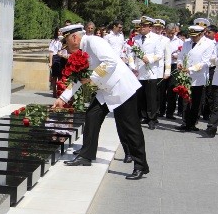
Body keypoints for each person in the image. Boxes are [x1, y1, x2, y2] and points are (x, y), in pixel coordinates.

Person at [53, 24, 149, 180]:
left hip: (121, 88)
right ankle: (86, 156)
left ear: (74, 38)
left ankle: (141, 165)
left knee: (130, 127)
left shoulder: (93, 42)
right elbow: (79, 79)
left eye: (67, 43)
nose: (66, 48)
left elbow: (110, 62)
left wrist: (92, 78)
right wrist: (62, 98)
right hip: (105, 90)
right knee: (92, 115)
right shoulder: (82, 50)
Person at [176, 24, 214, 132]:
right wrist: (179, 63)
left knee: (196, 102)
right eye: (191, 36)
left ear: (201, 34)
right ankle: (185, 122)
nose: (193, 38)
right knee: (185, 100)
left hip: (198, 77)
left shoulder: (208, 44)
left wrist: (191, 69)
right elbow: (181, 55)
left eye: (195, 36)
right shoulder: (187, 42)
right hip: (186, 76)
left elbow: (205, 62)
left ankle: (192, 123)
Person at [131, 16, 163, 130]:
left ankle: (152, 118)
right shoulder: (137, 38)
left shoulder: (156, 38)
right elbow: (132, 53)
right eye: (141, 26)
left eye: (144, 26)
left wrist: (149, 59)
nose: (142, 28)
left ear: (150, 27)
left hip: (150, 71)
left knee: (151, 97)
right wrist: (132, 65)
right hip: (139, 71)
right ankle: (143, 115)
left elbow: (159, 54)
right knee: (140, 96)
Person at [162, 23, 184, 119]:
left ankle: (170, 112)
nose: (171, 35)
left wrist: (176, 55)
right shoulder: (162, 40)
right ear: (166, 31)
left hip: (174, 65)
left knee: (172, 89)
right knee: (162, 89)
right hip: (163, 65)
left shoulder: (179, 42)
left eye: (172, 33)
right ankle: (160, 110)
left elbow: (182, 54)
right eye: (169, 33)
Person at [152, 19, 171, 117]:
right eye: (156, 27)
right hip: (149, 69)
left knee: (160, 93)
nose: (157, 29)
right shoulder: (149, 38)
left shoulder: (166, 40)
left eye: (159, 27)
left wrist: (167, 71)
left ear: (162, 28)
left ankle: (159, 110)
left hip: (159, 69)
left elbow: (168, 57)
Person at [48, 27, 63, 97]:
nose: (60, 32)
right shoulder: (53, 41)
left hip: (62, 58)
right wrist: (50, 62)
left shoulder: (64, 41)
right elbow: (51, 52)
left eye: (61, 31)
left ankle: (60, 92)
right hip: (55, 58)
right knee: (55, 76)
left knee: (61, 76)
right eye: (59, 31)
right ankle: (54, 92)